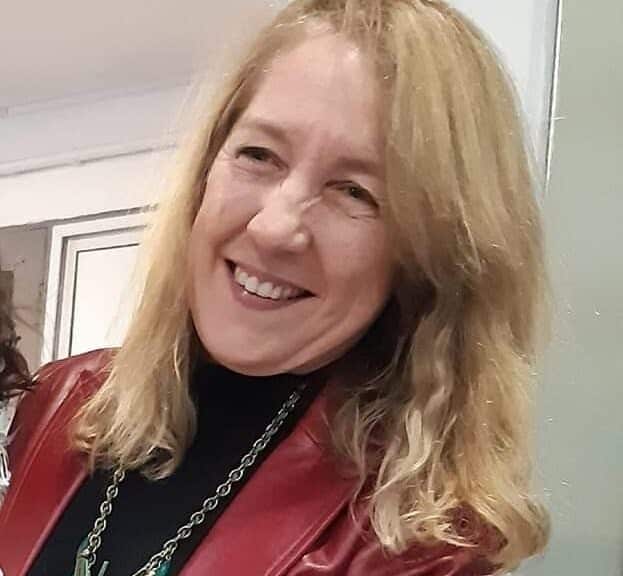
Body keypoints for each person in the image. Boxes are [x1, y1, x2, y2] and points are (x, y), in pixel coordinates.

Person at [0, 0, 550, 574]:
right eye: (258, 155)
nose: (273, 227)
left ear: (429, 256)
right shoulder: (57, 403)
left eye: (355, 192)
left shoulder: (417, 543)